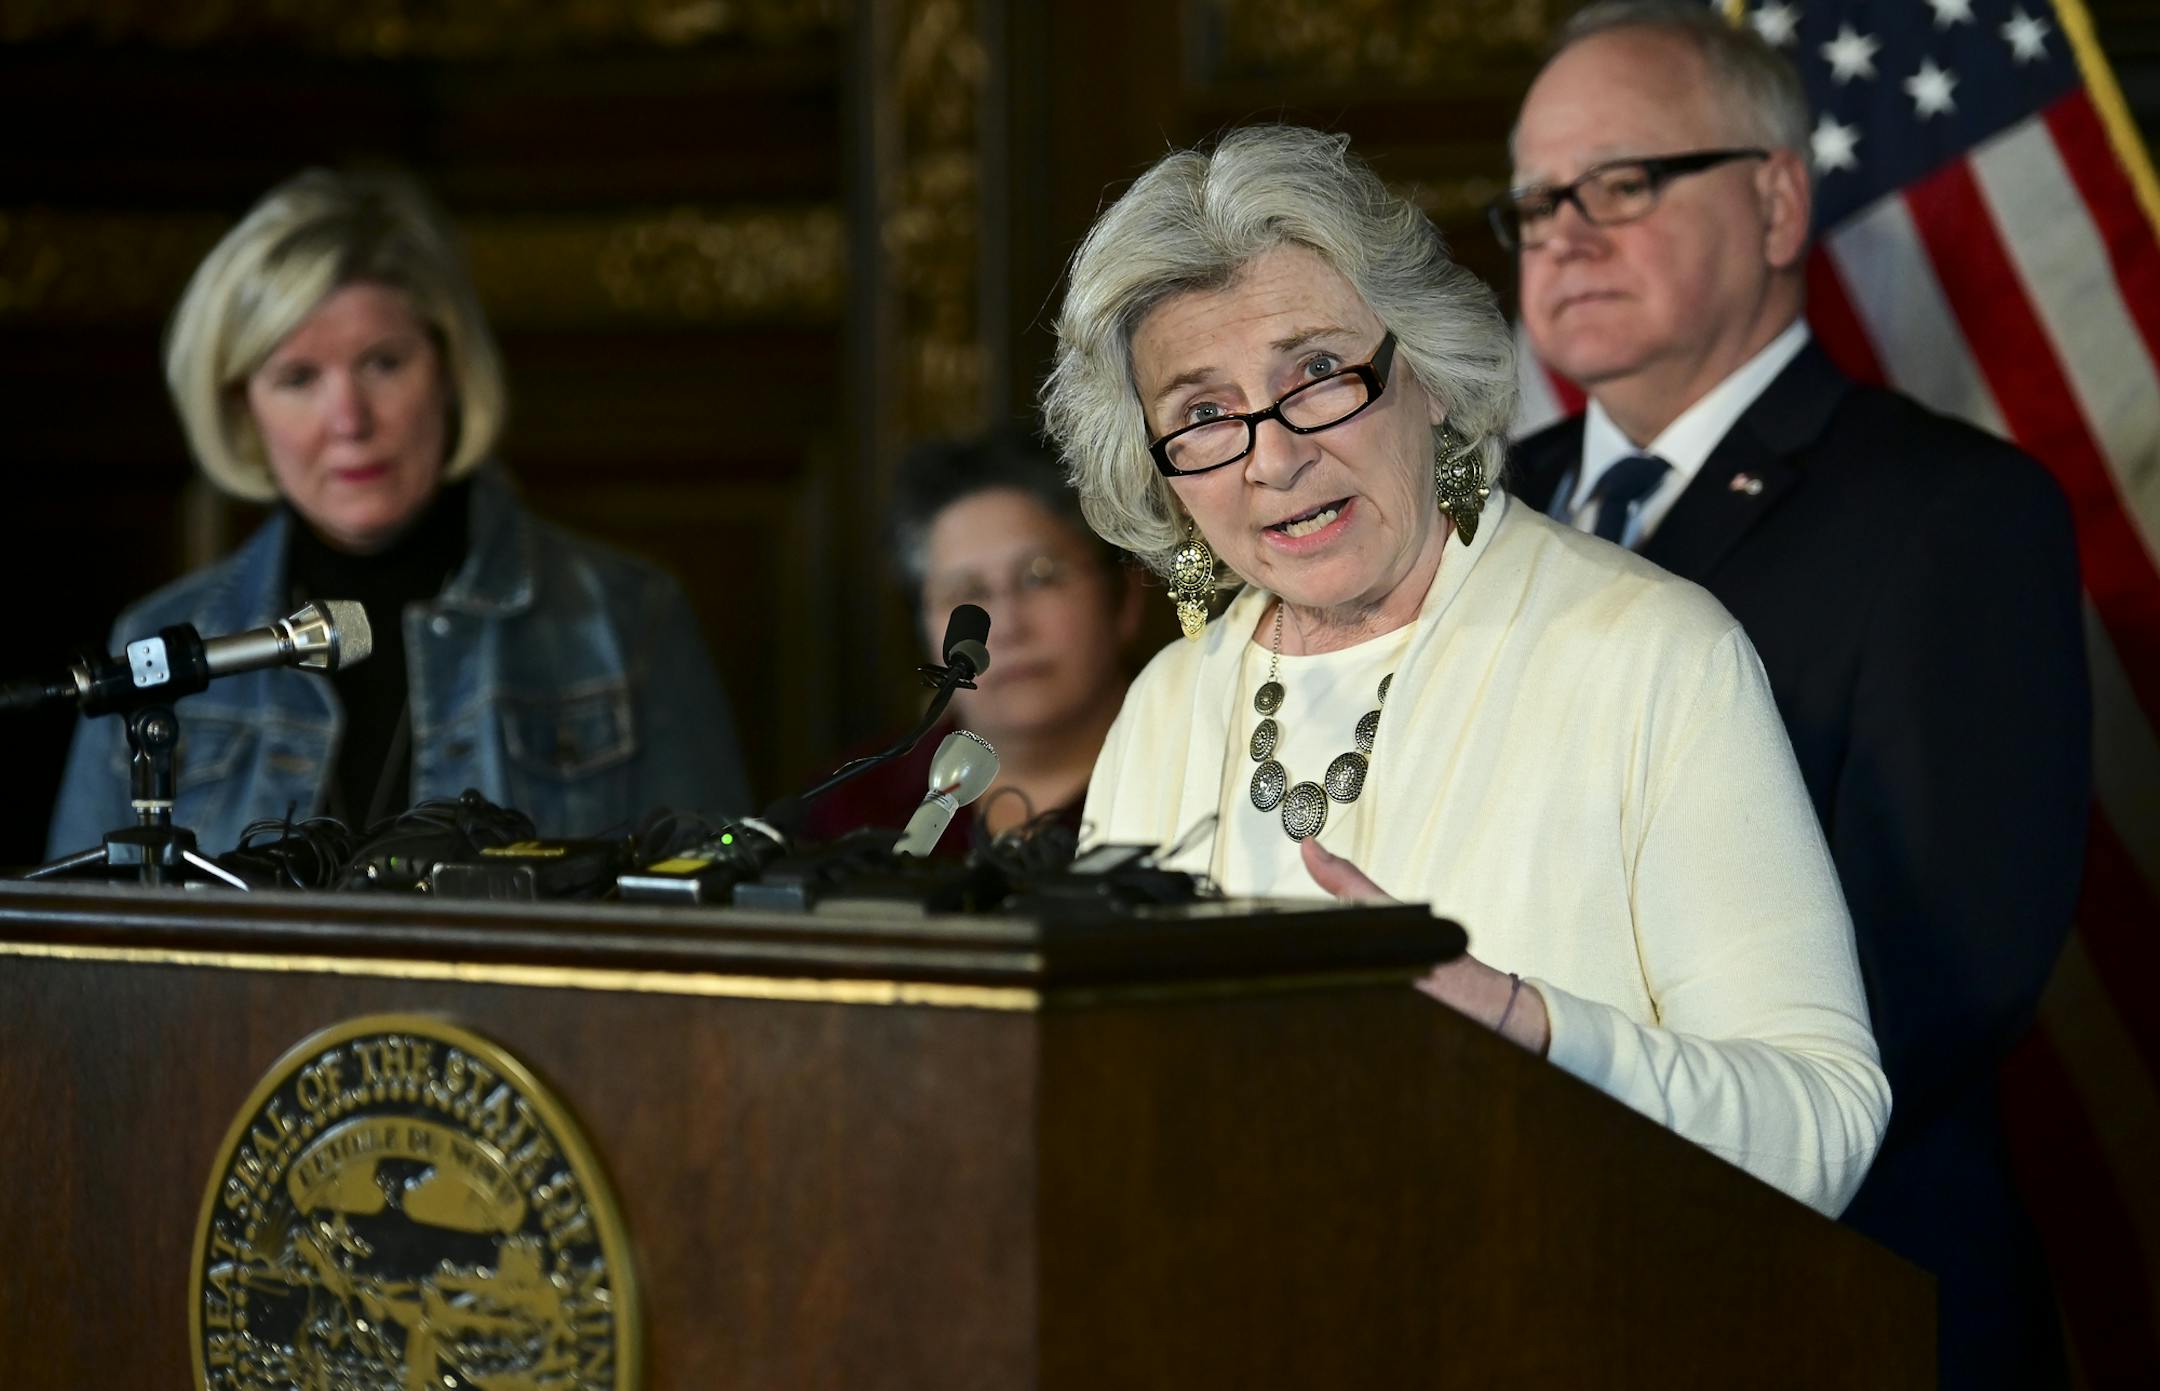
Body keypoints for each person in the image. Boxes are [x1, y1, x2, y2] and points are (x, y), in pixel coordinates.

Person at [1044, 123, 1888, 1218]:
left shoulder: (1652, 655)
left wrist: (1527, 1025)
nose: (1274, 453)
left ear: (1428, 376)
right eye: (1203, 413)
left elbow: (1825, 1125)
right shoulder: (1166, 704)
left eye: (1317, 373)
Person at [1498, 5, 2089, 1386]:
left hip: (1832, 1286)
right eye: (1533, 202)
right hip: (1515, 1262)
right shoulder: (1471, 520)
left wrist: (1592, 1111)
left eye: (1622, 183)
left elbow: (1944, 963)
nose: (1565, 234)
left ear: (1775, 200)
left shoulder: (1953, 511)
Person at [46, 170, 750, 858]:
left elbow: (718, 923)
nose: (349, 419)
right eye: (298, 378)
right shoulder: (154, 649)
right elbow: (75, 957)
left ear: (448, 368)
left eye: (383, 363)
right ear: (241, 408)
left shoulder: (627, 618)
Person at [801, 433, 1144, 853]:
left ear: (1123, 599)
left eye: (1040, 576)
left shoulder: (1199, 781)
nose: (1007, 627)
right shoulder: (851, 809)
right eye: (966, 594)